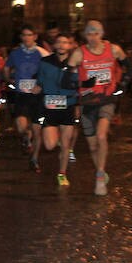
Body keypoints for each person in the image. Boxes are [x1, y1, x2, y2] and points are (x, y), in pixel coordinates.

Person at [66, 20, 131, 196]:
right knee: (93, 145)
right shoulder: (79, 54)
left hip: (106, 99)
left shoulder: (114, 49)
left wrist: (122, 85)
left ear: (102, 34)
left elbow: (129, 67)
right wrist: (82, 83)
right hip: (87, 102)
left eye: (96, 34)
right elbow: (67, 79)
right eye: (89, 34)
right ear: (85, 36)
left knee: (102, 135)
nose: (93, 37)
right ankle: (99, 170)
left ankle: (100, 176)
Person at [34, 32, 79, 186]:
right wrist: (37, 87)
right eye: (59, 42)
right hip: (50, 105)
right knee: (50, 145)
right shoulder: (45, 61)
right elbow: (39, 80)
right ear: (54, 45)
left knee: (65, 144)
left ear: (70, 45)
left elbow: (79, 83)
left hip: (69, 105)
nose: (61, 45)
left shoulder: (75, 63)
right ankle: (58, 137)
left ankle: (62, 173)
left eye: (65, 42)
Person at [5, 24, 50, 164]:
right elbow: (7, 66)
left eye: (29, 35)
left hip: (37, 96)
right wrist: (8, 80)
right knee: (21, 127)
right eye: (24, 35)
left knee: (37, 130)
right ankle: (26, 136)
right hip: (21, 94)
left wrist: (41, 85)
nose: (27, 38)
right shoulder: (15, 53)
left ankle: (35, 158)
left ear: (35, 37)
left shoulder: (43, 53)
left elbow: (51, 73)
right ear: (21, 37)